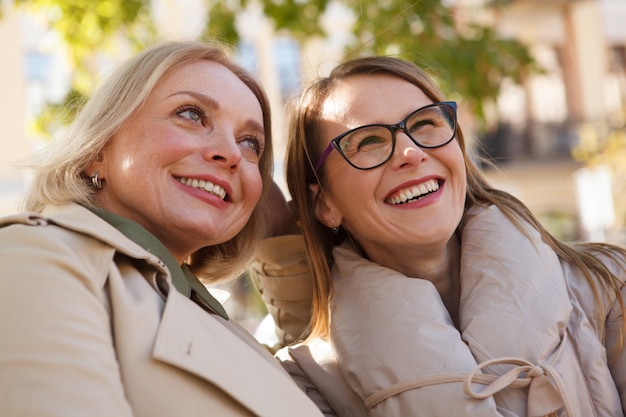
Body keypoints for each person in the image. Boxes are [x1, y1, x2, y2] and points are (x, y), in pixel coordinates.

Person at [251, 56, 626, 416]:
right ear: (326, 203)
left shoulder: (609, 286)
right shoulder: (307, 382)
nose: (411, 152)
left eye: (426, 123)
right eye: (366, 142)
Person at [0, 40, 324, 417]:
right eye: (191, 114)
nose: (232, 153)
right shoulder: (38, 257)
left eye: (250, 142)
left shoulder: (205, 315)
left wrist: (284, 245)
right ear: (97, 150)